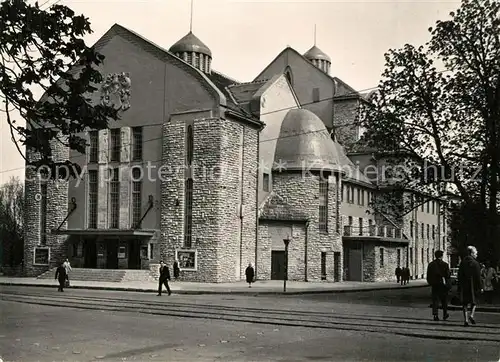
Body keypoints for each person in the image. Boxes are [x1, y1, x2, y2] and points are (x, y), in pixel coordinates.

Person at [458, 245, 483, 326]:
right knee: (474, 302)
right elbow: (478, 277)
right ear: (472, 253)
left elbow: (459, 275)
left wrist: (459, 286)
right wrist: (481, 287)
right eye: (475, 253)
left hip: (464, 285)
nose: (476, 255)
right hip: (473, 286)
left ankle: (465, 320)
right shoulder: (476, 263)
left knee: (464, 304)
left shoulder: (462, 263)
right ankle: (471, 315)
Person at [426, 250, 451, 321]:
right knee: (444, 301)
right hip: (443, 285)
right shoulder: (445, 264)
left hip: (435, 285)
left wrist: (431, 283)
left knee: (435, 301)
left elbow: (428, 276)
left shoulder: (431, 264)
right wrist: (448, 285)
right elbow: (448, 276)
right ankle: (445, 314)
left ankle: (435, 315)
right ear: (441, 256)